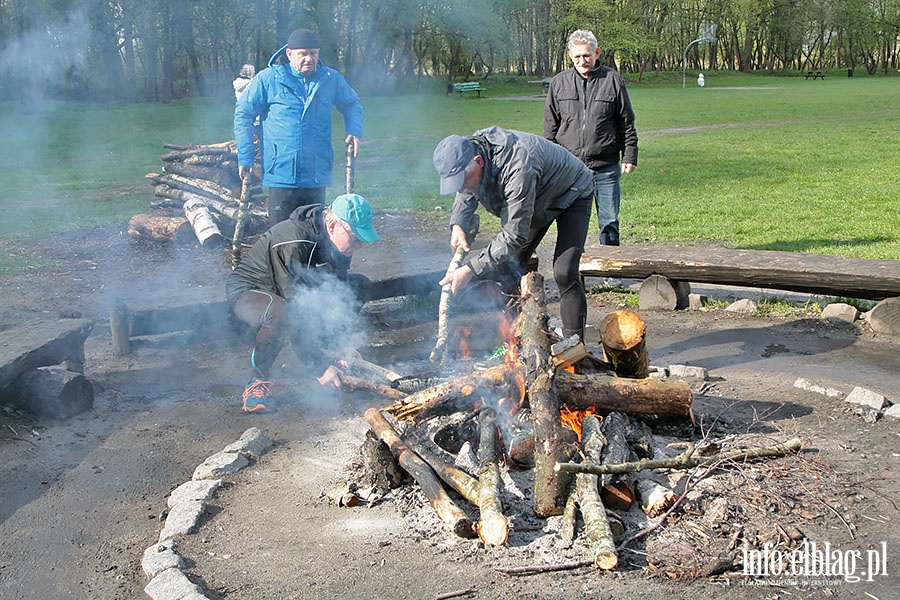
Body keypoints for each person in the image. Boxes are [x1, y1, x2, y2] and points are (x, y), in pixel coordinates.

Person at [433, 127, 594, 342]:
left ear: (478, 161)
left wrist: (471, 268)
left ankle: (575, 347)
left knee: (564, 271)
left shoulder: (517, 165)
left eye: (462, 181)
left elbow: (514, 234)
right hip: (535, 202)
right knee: (508, 267)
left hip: (572, 191)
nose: (460, 189)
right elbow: (466, 192)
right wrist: (458, 224)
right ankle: (519, 341)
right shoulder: (473, 155)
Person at [226, 193, 379, 413]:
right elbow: (296, 308)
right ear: (333, 225)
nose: (359, 246)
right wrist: (319, 367)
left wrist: (339, 343)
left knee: (358, 286)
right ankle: (256, 383)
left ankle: (326, 351)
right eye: (355, 238)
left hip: (290, 290)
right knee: (282, 312)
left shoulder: (340, 244)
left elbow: (337, 293)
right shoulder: (295, 241)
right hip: (251, 291)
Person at [234, 28, 363, 226]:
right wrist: (245, 156)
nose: (309, 59)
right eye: (303, 53)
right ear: (289, 53)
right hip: (281, 174)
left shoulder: (330, 78)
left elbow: (352, 103)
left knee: (313, 237)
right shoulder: (269, 79)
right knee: (280, 238)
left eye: (314, 53)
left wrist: (354, 130)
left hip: (316, 173)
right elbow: (243, 113)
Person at [543, 29, 638, 246]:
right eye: (577, 56)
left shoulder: (612, 80)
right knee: (571, 223)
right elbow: (550, 127)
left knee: (609, 221)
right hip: (570, 168)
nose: (582, 60)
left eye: (586, 55)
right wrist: (549, 161)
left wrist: (630, 155)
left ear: (597, 53)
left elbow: (626, 121)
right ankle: (574, 274)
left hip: (605, 166)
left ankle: (612, 274)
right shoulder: (559, 83)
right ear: (570, 56)